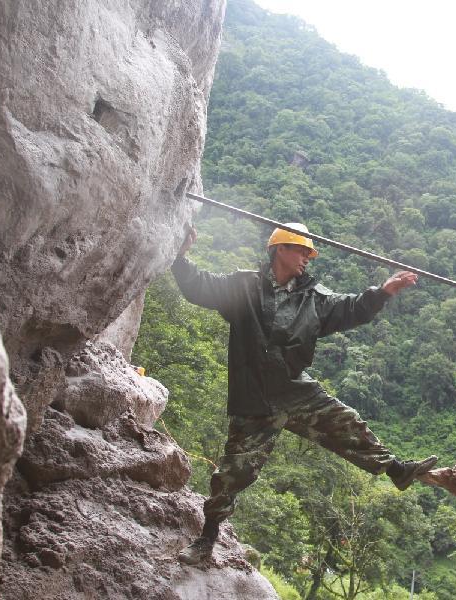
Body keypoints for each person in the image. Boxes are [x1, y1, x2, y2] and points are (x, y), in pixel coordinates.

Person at [172, 222, 438, 565]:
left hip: (295, 389)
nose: (306, 259)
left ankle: (397, 470)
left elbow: (352, 308)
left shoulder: (315, 298)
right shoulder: (243, 286)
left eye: (309, 253)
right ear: (279, 249)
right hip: (254, 397)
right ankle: (206, 541)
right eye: (301, 250)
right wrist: (180, 257)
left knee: (346, 423)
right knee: (233, 473)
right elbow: (199, 287)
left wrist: (383, 292)